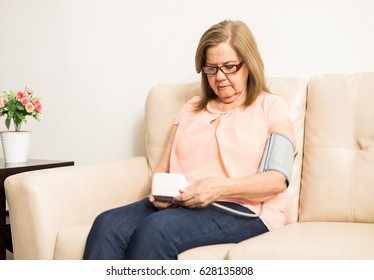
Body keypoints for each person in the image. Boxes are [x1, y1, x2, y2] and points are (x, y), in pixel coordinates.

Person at [83, 19, 296, 260]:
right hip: (180, 204)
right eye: (211, 68)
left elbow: (278, 180)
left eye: (229, 66)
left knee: (157, 230)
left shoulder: (271, 107)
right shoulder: (191, 108)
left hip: (240, 209)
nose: (220, 77)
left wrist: (218, 188)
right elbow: (161, 170)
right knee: (107, 224)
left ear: (249, 64)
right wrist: (162, 192)